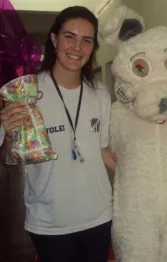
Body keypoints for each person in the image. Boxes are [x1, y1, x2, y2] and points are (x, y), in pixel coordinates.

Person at [0, 6, 116, 262]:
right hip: (49, 222)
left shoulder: (100, 93)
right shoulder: (27, 91)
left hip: (99, 216)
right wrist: (9, 137)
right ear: (54, 39)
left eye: (87, 40)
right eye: (69, 36)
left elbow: (103, 150)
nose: (77, 47)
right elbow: (9, 157)